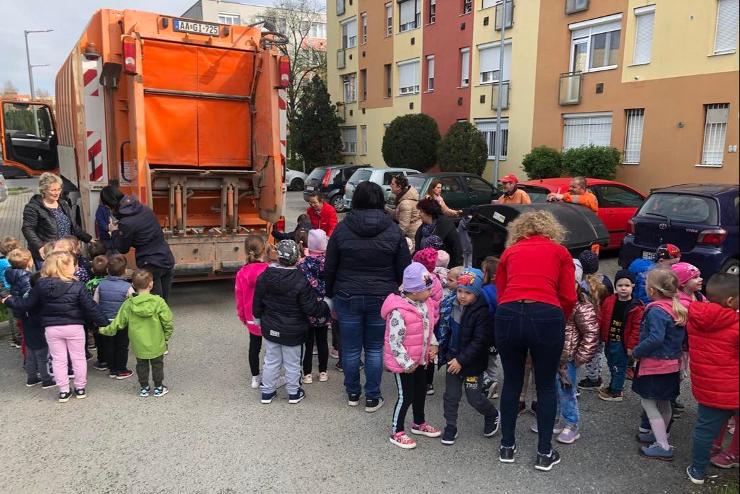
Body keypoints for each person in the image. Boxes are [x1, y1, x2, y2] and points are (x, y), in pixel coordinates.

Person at [494, 210, 577, 471]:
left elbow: (501, 289)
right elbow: (569, 296)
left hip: (508, 312)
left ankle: (507, 446)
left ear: (520, 230)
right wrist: (556, 322)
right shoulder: (560, 252)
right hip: (546, 313)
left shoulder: (510, 252)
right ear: (550, 229)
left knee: (512, 382)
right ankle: (544, 452)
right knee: (546, 385)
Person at [325, 181, 411, 412]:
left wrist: (329, 294)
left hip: (346, 294)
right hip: (382, 298)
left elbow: (330, 266)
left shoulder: (343, 228)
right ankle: (373, 396)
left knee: (351, 348)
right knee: (374, 348)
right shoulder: (393, 230)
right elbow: (404, 267)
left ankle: (353, 393)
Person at [3, 252, 108, 402]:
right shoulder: (77, 286)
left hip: (52, 329)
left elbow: (26, 304)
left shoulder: (41, 285)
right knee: (78, 358)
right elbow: (91, 307)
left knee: (58, 360)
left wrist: (9, 300)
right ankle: (80, 388)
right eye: (73, 264)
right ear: (66, 268)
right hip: (75, 327)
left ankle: (64, 390)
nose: (75, 267)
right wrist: (105, 323)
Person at [253, 240, 330, 405]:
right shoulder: (300, 280)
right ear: (296, 258)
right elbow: (311, 308)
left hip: (271, 327)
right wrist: (326, 306)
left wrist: (257, 317)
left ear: (278, 257)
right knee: (293, 362)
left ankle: (267, 392)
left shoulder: (265, 276)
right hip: (293, 330)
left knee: (271, 360)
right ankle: (294, 392)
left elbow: (257, 300)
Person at [381, 262, 443, 449]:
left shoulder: (426, 304)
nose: (431, 291)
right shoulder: (399, 312)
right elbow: (394, 342)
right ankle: (396, 431)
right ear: (415, 292)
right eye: (428, 288)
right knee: (405, 396)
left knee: (420, 392)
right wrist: (407, 362)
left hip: (421, 359)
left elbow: (428, 328)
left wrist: (433, 344)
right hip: (405, 364)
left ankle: (419, 422)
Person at [685, 274, 739, 484]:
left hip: (708, 388)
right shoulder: (736, 325)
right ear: (730, 301)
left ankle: (698, 470)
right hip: (735, 387)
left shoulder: (696, 319)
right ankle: (732, 454)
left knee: (704, 430)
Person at [437, 268, 501, 446]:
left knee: (474, 397)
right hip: (452, 359)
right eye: (459, 291)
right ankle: (450, 426)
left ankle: (492, 414)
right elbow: (445, 329)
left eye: (468, 292)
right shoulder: (452, 305)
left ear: (477, 292)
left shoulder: (482, 312)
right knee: (451, 395)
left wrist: (461, 360)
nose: (462, 296)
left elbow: (480, 341)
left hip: (471, 363)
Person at [631, 269, 687, 461]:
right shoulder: (676, 307)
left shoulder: (656, 310)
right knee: (664, 402)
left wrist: (637, 351)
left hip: (655, 365)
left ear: (652, 291)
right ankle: (660, 434)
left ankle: (662, 445)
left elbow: (655, 338)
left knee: (648, 402)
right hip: (672, 365)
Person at [99, 269, 174, 398]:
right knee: (157, 364)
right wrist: (166, 336)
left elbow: (118, 323)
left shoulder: (128, 304)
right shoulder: (158, 302)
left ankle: (144, 388)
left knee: (141, 364)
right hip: (157, 341)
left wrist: (103, 330)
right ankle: (158, 387)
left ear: (133, 285)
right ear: (151, 284)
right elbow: (168, 321)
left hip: (138, 343)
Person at [99, 185, 175, 301]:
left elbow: (123, 248)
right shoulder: (144, 209)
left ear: (110, 206)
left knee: (153, 305)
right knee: (163, 305)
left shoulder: (126, 222)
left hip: (150, 263)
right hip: (166, 258)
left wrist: (114, 232)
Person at [552, 279, 600, 444]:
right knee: (552, 388)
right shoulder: (554, 301)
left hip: (569, 359)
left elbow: (591, 333)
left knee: (566, 392)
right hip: (551, 355)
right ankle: (556, 418)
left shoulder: (581, 306)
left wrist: (580, 357)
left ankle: (572, 423)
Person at [22, 172, 92, 268]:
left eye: (59, 189)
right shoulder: (33, 207)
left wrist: (89, 239)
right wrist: (40, 246)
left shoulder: (63, 203)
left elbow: (73, 227)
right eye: (53, 190)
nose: (57, 192)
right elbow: (27, 229)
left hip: (66, 253)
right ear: (43, 190)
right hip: (48, 253)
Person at [598, 270, 644, 402]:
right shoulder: (609, 301)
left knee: (619, 366)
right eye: (620, 285)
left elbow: (636, 329)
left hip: (622, 343)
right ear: (615, 286)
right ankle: (613, 385)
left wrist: (631, 346)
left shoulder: (636, 306)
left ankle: (616, 391)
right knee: (612, 364)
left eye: (627, 285)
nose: (623, 288)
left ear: (633, 286)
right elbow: (603, 318)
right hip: (610, 340)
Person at [234, 235, 270, 389]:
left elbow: (239, 298)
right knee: (271, 349)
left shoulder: (241, 273)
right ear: (264, 250)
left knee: (254, 346)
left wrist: (242, 317)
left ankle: (255, 377)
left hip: (251, 317)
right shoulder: (269, 270)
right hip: (269, 316)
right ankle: (269, 377)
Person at [298, 229, 331, 384]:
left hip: (307, 307)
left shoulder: (303, 263)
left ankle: (307, 373)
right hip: (325, 306)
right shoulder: (329, 262)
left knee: (308, 342)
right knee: (323, 340)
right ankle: (323, 372)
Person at [94, 254, 135, 380]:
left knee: (109, 346)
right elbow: (133, 304)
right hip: (121, 322)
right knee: (122, 346)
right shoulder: (128, 287)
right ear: (124, 271)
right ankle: (121, 369)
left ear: (107, 270)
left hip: (106, 321)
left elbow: (95, 302)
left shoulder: (101, 285)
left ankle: (112, 369)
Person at [20, 272, 55, 389]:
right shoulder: (40, 298)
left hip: (27, 327)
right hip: (39, 329)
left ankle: (32, 378)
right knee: (42, 356)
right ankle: (46, 379)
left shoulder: (26, 295)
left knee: (30, 356)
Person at [415, 198, 463, 267]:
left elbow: (457, 249)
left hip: (445, 268)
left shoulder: (446, 225)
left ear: (429, 212)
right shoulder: (422, 229)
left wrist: (457, 268)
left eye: (421, 211)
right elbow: (417, 250)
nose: (419, 214)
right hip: (424, 269)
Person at [4, 248, 33, 359]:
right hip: (27, 313)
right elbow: (29, 298)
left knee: (24, 335)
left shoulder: (11, 274)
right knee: (30, 337)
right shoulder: (27, 278)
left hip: (18, 312)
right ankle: (30, 360)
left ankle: (27, 358)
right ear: (29, 262)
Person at [87, 255, 113, 372]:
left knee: (99, 340)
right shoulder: (109, 283)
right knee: (110, 339)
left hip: (95, 317)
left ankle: (102, 360)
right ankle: (112, 359)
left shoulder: (89, 284)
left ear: (92, 270)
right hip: (109, 314)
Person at [480, 256, 500, 399]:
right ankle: (495, 387)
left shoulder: (484, 291)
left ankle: (487, 384)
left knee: (481, 360)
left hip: (485, 332)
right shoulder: (502, 290)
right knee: (492, 361)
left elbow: (483, 313)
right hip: (497, 334)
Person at [386, 174, 422, 246]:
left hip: (412, 237)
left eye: (392, 184)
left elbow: (403, 228)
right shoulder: (404, 198)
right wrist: (386, 209)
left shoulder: (405, 203)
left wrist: (390, 240)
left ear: (399, 187)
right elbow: (399, 215)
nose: (390, 185)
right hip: (413, 234)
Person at [1, 236, 22, 348]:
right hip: (12, 288)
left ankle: (15, 338)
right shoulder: (10, 262)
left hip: (4, 289)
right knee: (17, 313)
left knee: (11, 314)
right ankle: (19, 337)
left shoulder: (1, 261)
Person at [95, 181, 119, 251]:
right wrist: (109, 228)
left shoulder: (114, 207)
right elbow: (100, 222)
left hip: (115, 237)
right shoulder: (101, 209)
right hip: (106, 239)